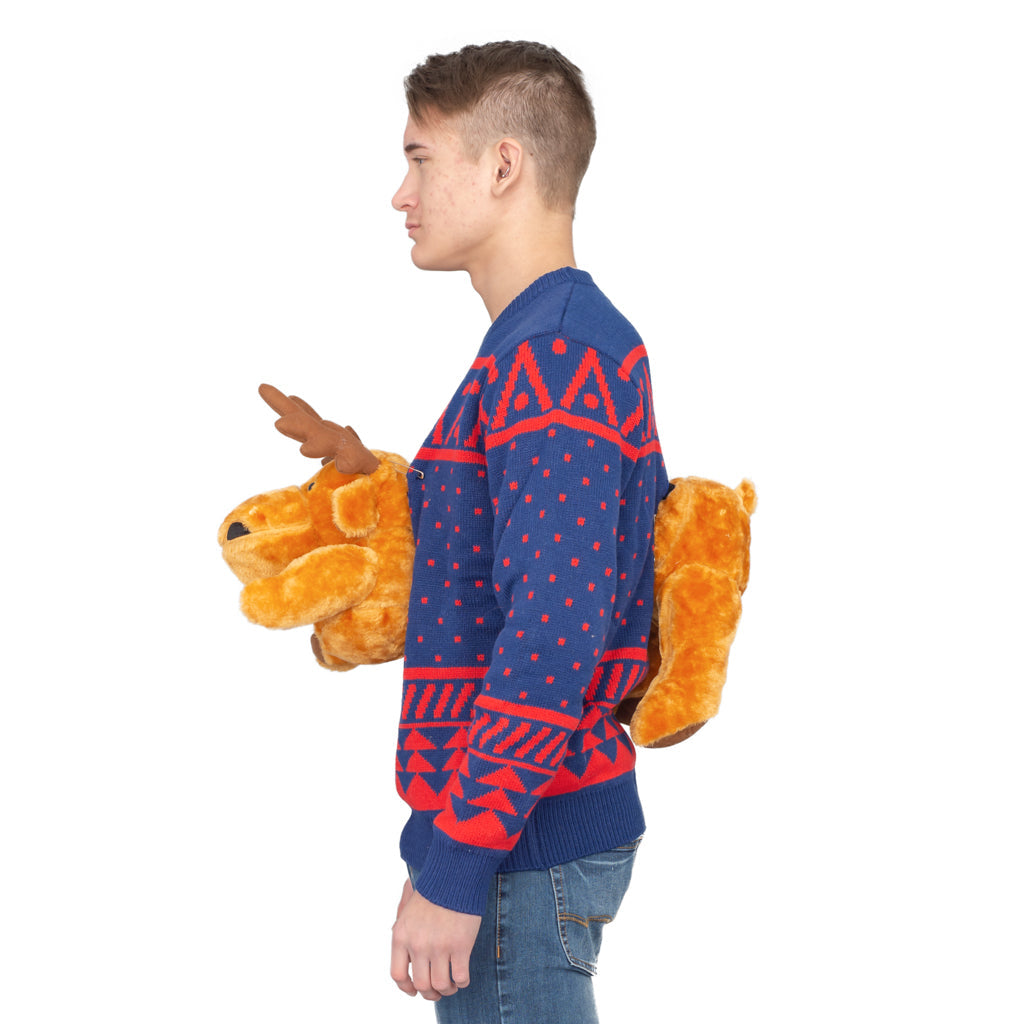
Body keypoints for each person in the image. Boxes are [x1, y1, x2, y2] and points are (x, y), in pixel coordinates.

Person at [388, 41, 670, 1023]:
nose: (400, 193)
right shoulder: (543, 346)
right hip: (512, 832)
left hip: (519, 841)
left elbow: (551, 636)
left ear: (502, 164)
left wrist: (459, 865)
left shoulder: (554, 357)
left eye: (420, 158)